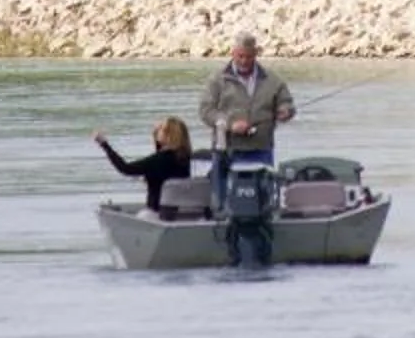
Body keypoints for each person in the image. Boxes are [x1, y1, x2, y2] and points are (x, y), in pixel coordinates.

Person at [199, 32, 297, 184]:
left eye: (249, 57)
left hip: (261, 149)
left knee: (263, 192)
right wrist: (230, 125)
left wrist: (286, 111)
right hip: (227, 151)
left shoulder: (273, 80)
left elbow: (286, 102)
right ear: (232, 53)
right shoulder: (217, 80)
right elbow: (206, 111)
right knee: (226, 193)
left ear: (256, 54)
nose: (244, 61)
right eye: (240, 56)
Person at [94, 116, 198, 214]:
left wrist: (104, 144)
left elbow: (125, 168)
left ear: (168, 135)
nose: (157, 129)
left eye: (161, 128)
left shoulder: (158, 160)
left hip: (157, 212)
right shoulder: (186, 157)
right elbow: (164, 168)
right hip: (182, 211)